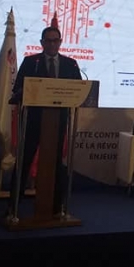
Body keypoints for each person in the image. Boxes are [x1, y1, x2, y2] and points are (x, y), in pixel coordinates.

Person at [9, 26, 82, 214]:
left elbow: (79, 91)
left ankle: (58, 207)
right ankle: (13, 206)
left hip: (58, 121)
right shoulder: (31, 62)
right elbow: (18, 89)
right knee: (24, 161)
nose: (52, 44)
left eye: (55, 40)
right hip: (33, 120)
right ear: (42, 43)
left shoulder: (70, 64)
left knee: (57, 163)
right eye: (48, 41)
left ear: (60, 42)